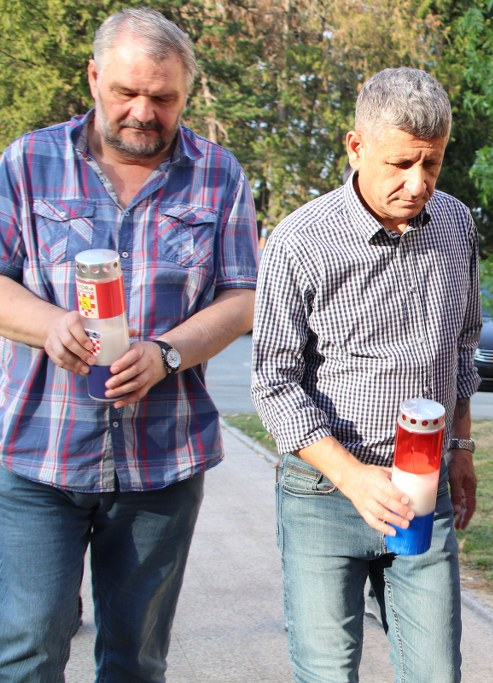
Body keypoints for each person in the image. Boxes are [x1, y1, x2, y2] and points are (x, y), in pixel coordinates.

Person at [0, 7, 258, 681]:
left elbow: (243, 298)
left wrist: (167, 353)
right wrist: (49, 325)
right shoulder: (27, 162)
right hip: (39, 455)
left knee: (136, 662)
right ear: (93, 78)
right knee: (27, 648)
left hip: (162, 463)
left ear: (186, 92)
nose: (143, 112)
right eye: (126, 92)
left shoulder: (219, 175)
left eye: (163, 97)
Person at [251, 67, 481, 682]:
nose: (418, 183)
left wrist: (461, 448)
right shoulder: (299, 241)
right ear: (356, 147)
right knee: (328, 673)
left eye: (432, 164)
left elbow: (463, 344)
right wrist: (353, 478)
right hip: (324, 493)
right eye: (400, 164)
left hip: (423, 490)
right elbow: (273, 382)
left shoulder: (456, 225)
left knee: (436, 674)